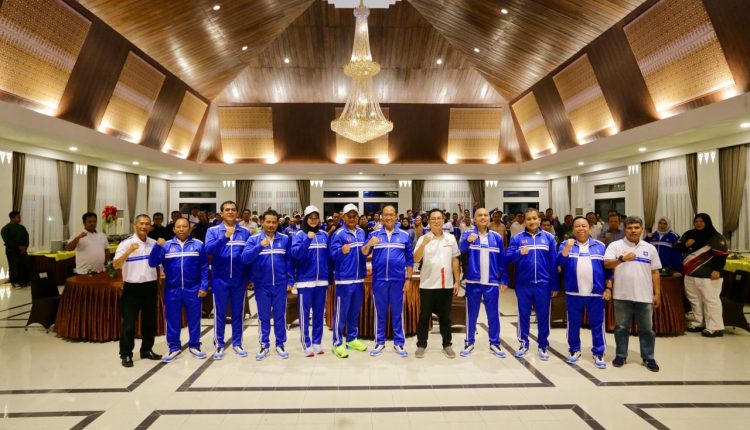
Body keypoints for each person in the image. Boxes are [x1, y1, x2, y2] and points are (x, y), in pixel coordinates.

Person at [604, 216, 662, 372]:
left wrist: (657, 294)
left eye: (636, 227)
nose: (633, 230)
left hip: (644, 296)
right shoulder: (615, 245)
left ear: (641, 229)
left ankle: (648, 357)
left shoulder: (650, 248)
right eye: (630, 228)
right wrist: (622, 259)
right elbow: (607, 263)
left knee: (647, 329)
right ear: (625, 229)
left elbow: (655, 272)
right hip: (621, 295)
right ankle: (621, 355)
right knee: (621, 328)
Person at [148, 218, 208, 362]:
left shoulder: (198, 245)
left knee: (194, 319)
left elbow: (204, 267)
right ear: (174, 229)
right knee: (172, 319)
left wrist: (204, 286)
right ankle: (174, 347)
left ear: (189, 229)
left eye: (184, 226)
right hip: (172, 289)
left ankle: (195, 346)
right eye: (178, 227)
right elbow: (152, 262)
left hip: (193, 289)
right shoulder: (166, 246)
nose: (181, 229)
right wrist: (157, 247)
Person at [506, 207, 558, 360]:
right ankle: (523, 343)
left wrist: (554, 285)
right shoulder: (517, 238)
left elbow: (553, 263)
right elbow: (507, 258)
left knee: (543, 316)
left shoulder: (549, 238)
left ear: (539, 220)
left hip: (543, 284)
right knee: (523, 315)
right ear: (524, 221)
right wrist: (519, 253)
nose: (532, 221)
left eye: (534, 218)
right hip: (523, 284)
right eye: (528, 219)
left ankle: (543, 346)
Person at [362, 205, 413, 357]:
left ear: (395, 216)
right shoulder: (374, 234)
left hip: (398, 280)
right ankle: (380, 341)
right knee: (380, 312)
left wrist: (408, 279)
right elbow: (363, 253)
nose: (389, 217)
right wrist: (369, 244)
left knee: (397, 312)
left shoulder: (404, 235)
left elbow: (409, 259)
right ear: (381, 217)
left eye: (391, 215)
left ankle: (399, 342)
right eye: (386, 215)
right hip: (379, 280)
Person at [557, 216, 609, 369]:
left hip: (596, 294)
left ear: (589, 228)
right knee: (573, 324)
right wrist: (567, 248)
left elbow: (608, 270)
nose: (581, 228)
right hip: (574, 293)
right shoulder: (565, 245)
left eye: (584, 226)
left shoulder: (600, 246)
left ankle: (598, 352)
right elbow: (559, 263)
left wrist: (608, 288)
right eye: (577, 226)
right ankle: (574, 350)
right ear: (573, 229)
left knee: (597, 324)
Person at [242, 210, 293, 360]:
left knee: (279, 316)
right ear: (262, 222)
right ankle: (264, 345)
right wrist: (259, 246)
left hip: (280, 284)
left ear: (278, 223)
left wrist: (290, 280)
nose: (271, 225)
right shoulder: (253, 239)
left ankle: (280, 344)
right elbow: (245, 258)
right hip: (261, 285)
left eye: (274, 222)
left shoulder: (285, 239)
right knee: (263, 316)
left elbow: (289, 261)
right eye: (268, 222)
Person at [459, 208, 509, 358]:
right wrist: (468, 241)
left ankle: (494, 343)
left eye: (485, 215)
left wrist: (504, 279)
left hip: (491, 281)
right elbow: (461, 249)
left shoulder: (496, 237)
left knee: (493, 314)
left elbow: (502, 259)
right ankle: (469, 341)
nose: (483, 217)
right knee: (471, 314)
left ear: (489, 218)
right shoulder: (468, 234)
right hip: (473, 281)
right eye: (479, 215)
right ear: (474, 219)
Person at [112, 214, 162, 367]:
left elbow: (159, 265)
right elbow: (116, 265)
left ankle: (146, 349)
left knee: (149, 322)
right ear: (135, 224)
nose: (144, 226)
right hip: (132, 287)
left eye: (147, 224)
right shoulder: (126, 243)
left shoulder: (153, 243)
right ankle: (126, 354)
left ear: (150, 226)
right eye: (141, 223)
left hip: (150, 286)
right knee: (128, 323)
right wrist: (128, 252)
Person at [205, 201, 252, 360]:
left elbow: (248, 256)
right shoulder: (212, 231)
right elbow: (208, 250)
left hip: (239, 279)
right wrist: (224, 237)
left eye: (233, 209)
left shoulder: (244, 232)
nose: (230, 212)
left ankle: (237, 343)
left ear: (237, 213)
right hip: (220, 279)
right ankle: (219, 344)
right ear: (221, 213)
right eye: (227, 210)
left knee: (238, 312)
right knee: (220, 313)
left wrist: (249, 277)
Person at [413, 209, 460, 359]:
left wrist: (457, 281)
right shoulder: (423, 238)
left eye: (439, 218)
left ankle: (447, 344)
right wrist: (424, 244)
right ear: (429, 221)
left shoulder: (450, 238)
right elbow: (416, 259)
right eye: (433, 219)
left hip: (446, 285)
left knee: (445, 317)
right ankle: (421, 345)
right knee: (424, 316)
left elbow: (454, 260)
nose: (436, 221)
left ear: (443, 220)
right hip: (427, 284)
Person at [676, 213, 728, 337]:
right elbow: (677, 247)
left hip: (709, 275)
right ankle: (698, 323)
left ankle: (715, 328)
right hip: (690, 274)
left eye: (701, 221)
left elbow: (722, 255)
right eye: (696, 221)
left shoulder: (716, 237)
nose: (698, 223)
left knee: (711, 300)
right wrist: (686, 245)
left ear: (707, 222)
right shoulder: (689, 234)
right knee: (694, 300)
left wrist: (717, 270)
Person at [329, 203, 368, 358]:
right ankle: (337, 343)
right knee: (341, 313)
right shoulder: (338, 234)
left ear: (357, 217)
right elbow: (332, 256)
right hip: (344, 280)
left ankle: (351, 339)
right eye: (349, 216)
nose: (352, 218)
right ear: (343, 217)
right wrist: (341, 251)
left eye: (354, 216)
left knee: (354, 311)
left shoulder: (361, 232)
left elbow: (364, 253)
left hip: (359, 278)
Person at [291, 205, 329, 356]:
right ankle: (306, 343)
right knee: (304, 314)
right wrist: (308, 239)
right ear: (305, 219)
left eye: (316, 218)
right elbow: (296, 255)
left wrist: (329, 276)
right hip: (305, 280)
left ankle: (317, 342)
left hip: (322, 280)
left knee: (319, 313)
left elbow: (328, 257)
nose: (313, 220)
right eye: (310, 218)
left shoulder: (324, 235)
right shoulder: (299, 235)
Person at [1, 211, 30, 288]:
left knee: (24, 265)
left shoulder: (22, 227)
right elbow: (7, 241)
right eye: (18, 217)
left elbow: (26, 237)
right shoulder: (5, 228)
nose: (20, 218)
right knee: (13, 266)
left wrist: (25, 247)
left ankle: (24, 281)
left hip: (23, 250)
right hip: (12, 251)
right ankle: (14, 282)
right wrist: (18, 247)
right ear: (12, 218)